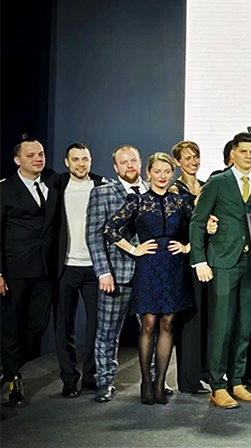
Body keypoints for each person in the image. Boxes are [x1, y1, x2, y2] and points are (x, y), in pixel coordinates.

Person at [105, 153, 194, 405]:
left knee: (168, 323)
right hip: (148, 267)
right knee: (148, 323)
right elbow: (110, 228)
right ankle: (146, 381)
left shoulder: (181, 202)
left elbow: (200, 226)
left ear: (172, 174)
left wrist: (187, 247)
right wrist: (134, 249)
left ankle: (159, 383)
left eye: (167, 171)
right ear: (149, 173)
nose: (162, 176)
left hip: (174, 267)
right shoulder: (138, 201)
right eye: (157, 171)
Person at [189, 132, 251, 410]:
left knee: (244, 326)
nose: (249, 156)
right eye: (243, 151)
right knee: (222, 326)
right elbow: (198, 222)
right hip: (223, 263)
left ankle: (237, 381)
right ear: (232, 154)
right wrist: (200, 261)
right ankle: (217, 385)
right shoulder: (217, 182)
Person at [0, 135, 62, 407]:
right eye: (31, 155)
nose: (38, 159)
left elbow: (79, 174)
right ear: (17, 160)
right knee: (11, 328)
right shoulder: (4, 190)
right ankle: (14, 380)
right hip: (14, 270)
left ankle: (7, 365)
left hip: (45, 270)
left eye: (41, 154)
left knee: (37, 326)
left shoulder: (52, 181)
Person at [86, 144, 146, 403]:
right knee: (108, 332)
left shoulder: (153, 190)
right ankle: (105, 382)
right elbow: (94, 236)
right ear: (116, 167)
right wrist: (103, 272)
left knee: (152, 331)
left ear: (140, 162)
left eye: (133, 160)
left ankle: (154, 379)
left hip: (148, 276)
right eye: (124, 162)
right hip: (116, 274)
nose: (130, 165)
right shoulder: (102, 193)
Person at [54, 142, 107, 398]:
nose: (81, 164)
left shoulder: (101, 185)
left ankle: (90, 377)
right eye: (75, 159)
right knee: (64, 327)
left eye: (85, 159)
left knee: (96, 327)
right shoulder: (57, 184)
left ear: (91, 160)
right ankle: (68, 379)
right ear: (67, 162)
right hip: (65, 267)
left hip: (94, 267)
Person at [169, 140, 211, 395]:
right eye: (187, 158)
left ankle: (204, 372)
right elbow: (176, 226)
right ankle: (188, 379)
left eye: (196, 157)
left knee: (204, 317)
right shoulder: (175, 190)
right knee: (189, 321)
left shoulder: (205, 186)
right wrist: (187, 247)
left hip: (205, 260)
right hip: (185, 263)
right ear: (177, 162)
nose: (193, 162)